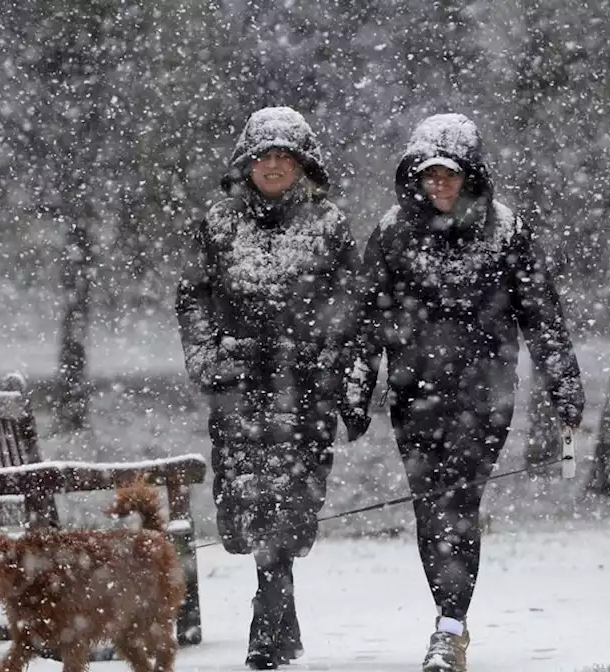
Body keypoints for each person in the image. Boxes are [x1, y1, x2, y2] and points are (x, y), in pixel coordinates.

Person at [343, 113, 585, 672]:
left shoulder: (505, 231)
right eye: (430, 174)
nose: (440, 184)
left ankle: (449, 626)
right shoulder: (392, 233)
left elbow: (542, 316)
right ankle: (450, 618)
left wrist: (564, 389)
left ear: (471, 175)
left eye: (450, 174)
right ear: (415, 177)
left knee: (458, 503)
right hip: (413, 397)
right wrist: (356, 393)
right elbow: (363, 323)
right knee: (433, 507)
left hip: (485, 396)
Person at [175, 106, 361, 670]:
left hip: (305, 390)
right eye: (264, 155)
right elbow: (193, 299)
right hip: (239, 387)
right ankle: (281, 607)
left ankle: (267, 613)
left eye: (285, 155)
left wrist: (344, 382)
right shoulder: (218, 224)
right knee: (245, 503)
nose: (274, 165)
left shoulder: (328, 224)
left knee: (293, 500)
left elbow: (353, 309)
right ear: (247, 163)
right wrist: (208, 362)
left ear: (302, 163)